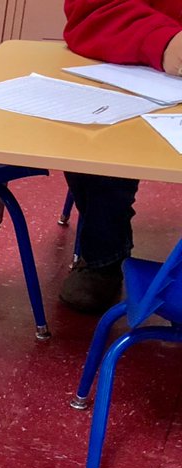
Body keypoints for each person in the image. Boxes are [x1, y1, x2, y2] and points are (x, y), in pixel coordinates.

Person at [60, 0, 182, 313]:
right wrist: (164, 40)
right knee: (94, 144)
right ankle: (104, 258)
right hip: (135, 67)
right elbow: (91, 11)